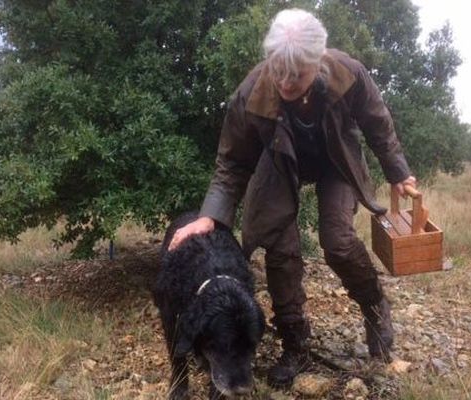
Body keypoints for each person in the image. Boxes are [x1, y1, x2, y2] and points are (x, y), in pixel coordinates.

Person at [168, 8, 416, 388]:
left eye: (296, 74)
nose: (284, 81)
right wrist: (210, 216)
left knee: (338, 240)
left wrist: (399, 172)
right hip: (280, 163)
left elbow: (376, 121)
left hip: (337, 161)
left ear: (317, 61)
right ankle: (295, 341)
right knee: (279, 248)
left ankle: (373, 307)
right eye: (277, 70)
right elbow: (232, 163)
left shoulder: (349, 74)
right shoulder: (250, 94)